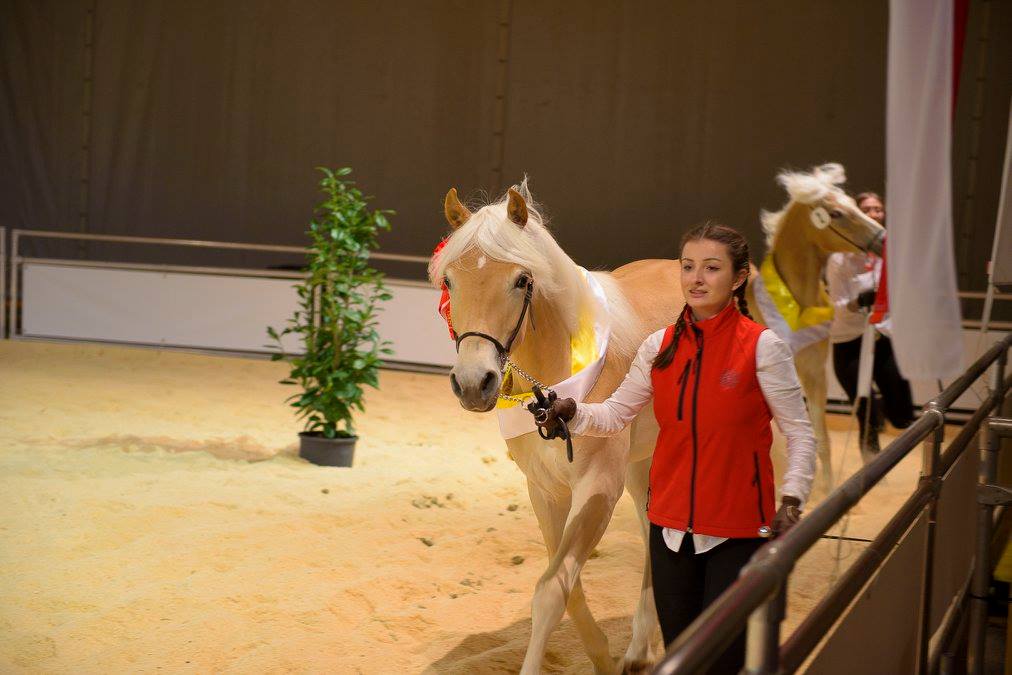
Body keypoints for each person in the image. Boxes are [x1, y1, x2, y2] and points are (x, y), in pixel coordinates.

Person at [531, 223, 816, 672]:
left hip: (738, 530)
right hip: (669, 531)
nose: (696, 279)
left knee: (724, 658)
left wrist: (794, 496)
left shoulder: (764, 348)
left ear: (738, 278)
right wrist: (574, 413)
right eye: (688, 267)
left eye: (711, 268)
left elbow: (800, 431)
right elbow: (616, 415)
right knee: (683, 654)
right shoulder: (657, 347)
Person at [825, 192, 914, 455]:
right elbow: (838, 306)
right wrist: (859, 301)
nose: (874, 214)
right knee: (867, 414)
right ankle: (871, 467)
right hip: (849, 341)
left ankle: (887, 416)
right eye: (867, 210)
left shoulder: (892, 252)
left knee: (902, 413)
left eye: (878, 209)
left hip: (882, 336)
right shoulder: (839, 259)